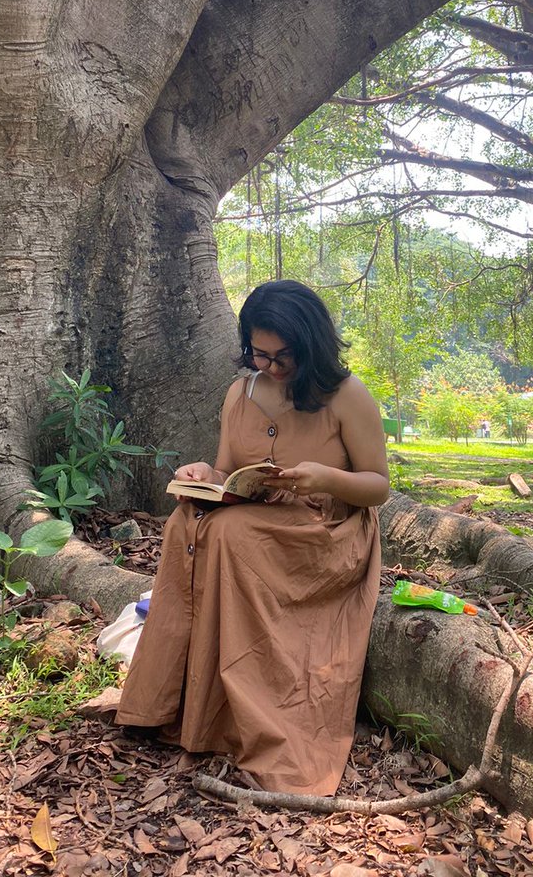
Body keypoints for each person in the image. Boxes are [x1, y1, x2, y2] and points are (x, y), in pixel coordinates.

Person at [115, 280, 389, 795]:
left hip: (324, 532)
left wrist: (324, 477)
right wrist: (205, 475)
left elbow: (378, 487)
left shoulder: (346, 396)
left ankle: (244, 713)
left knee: (231, 535)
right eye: (258, 354)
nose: (269, 367)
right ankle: (173, 703)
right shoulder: (239, 393)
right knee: (186, 522)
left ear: (310, 345)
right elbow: (225, 470)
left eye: (282, 356)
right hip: (258, 515)